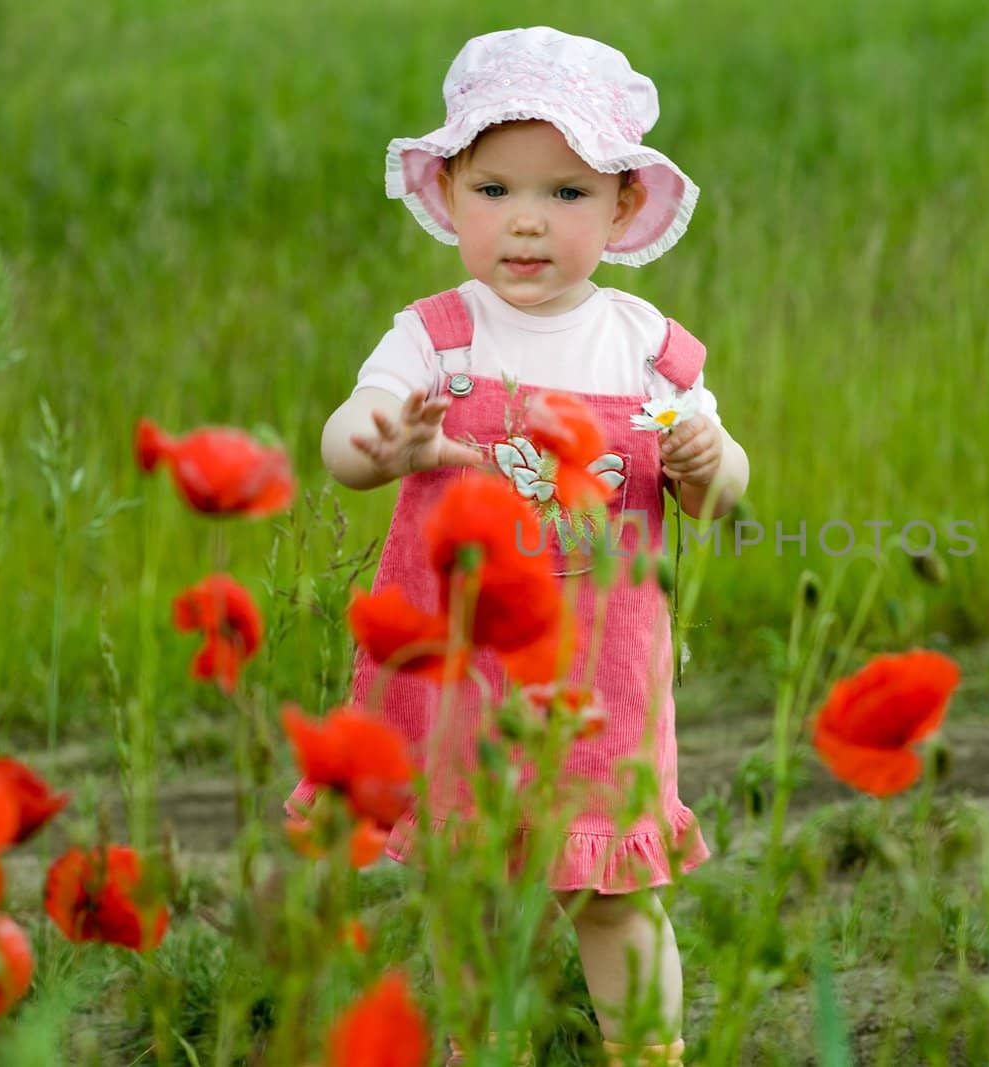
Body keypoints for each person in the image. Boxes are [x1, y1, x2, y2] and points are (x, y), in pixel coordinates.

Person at [286, 27, 749, 1067]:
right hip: (462, 666)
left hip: (602, 670)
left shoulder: (643, 346)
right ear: (447, 193)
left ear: (624, 205)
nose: (528, 221)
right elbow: (347, 441)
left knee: (609, 892)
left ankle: (649, 1047)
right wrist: (377, 440)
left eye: (567, 194)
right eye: (494, 190)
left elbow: (722, 492)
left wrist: (707, 461)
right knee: (475, 888)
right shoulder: (435, 336)